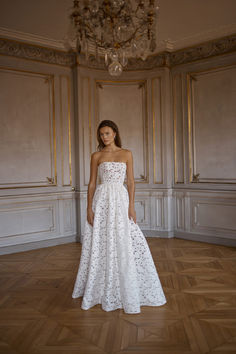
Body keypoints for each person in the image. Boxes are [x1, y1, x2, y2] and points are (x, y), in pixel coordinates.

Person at [72, 119, 167, 313]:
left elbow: (131, 182)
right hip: (102, 200)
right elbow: (91, 184)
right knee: (101, 240)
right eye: (101, 134)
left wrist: (131, 206)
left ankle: (126, 283)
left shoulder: (126, 154)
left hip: (121, 200)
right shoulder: (96, 155)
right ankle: (99, 287)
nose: (104, 137)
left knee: (126, 239)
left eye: (107, 133)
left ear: (115, 133)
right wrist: (89, 208)